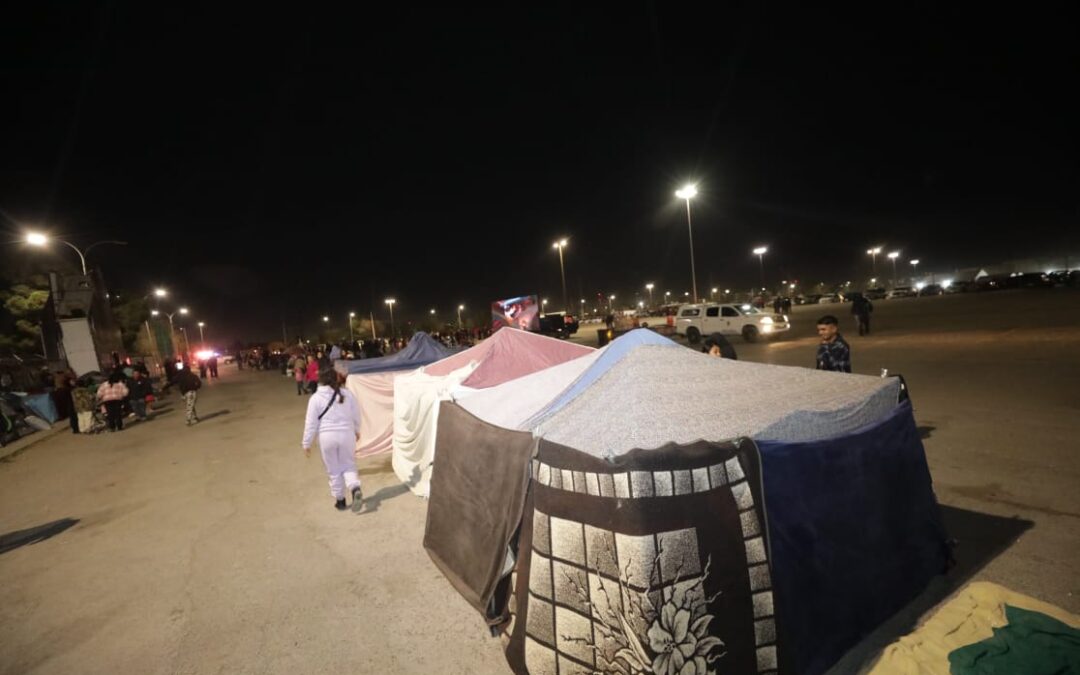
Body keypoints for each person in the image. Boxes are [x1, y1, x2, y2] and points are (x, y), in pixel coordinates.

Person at [302, 368, 363, 511]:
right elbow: (356, 414)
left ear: (320, 380)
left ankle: (340, 500)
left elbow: (311, 423)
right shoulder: (347, 394)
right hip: (346, 434)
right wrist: (357, 430)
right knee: (348, 464)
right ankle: (355, 488)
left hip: (326, 437)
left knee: (333, 470)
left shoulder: (315, 398)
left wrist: (307, 443)